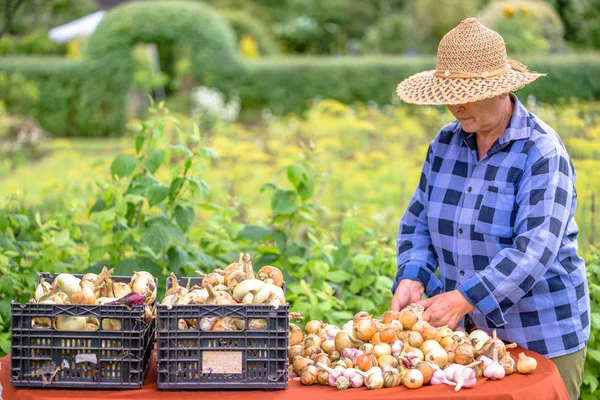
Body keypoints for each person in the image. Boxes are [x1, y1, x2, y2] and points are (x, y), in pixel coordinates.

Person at [391, 18, 589, 400]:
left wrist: (463, 297)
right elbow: (417, 224)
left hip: (540, 335)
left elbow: (534, 251)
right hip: (463, 341)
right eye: (448, 93)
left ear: (501, 91)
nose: (454, 105)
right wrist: (412, 276)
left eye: (466, 93)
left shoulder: (541, 151)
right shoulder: (445, 144)